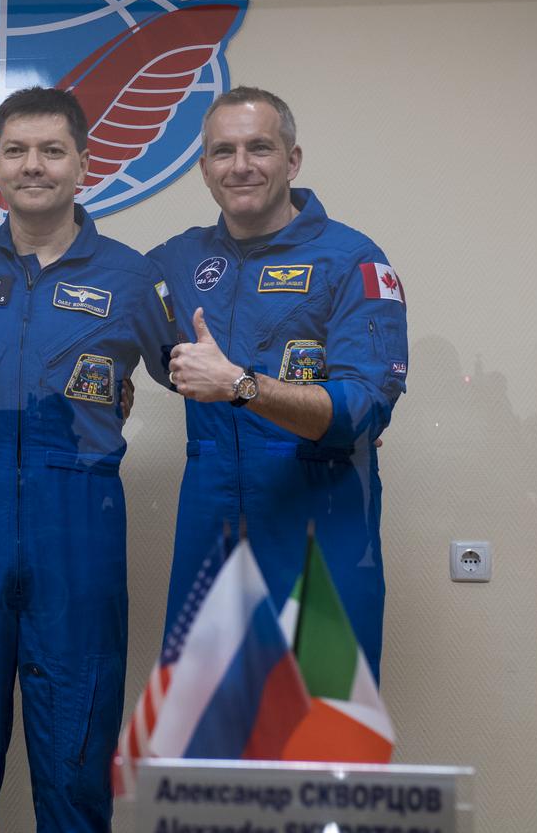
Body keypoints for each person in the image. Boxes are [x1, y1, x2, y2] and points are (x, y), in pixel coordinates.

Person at [0, 87, 175, 833]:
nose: (33, 165)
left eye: (52, 150)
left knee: (75, 768)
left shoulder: (130, 276)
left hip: (79, 528)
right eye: (16, 150)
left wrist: (307, 413)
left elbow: (207, 375)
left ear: (84, 165)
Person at [156, 86, 408, 676]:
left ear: (292, 161)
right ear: (204, 169)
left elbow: (365, 408)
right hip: (211, 525)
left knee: (322, 722)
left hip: (320, 529)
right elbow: (89, 299)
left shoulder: (352, 260)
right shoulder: (176, 262)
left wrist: (241, 385)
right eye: (223, 151)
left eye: (259, 148)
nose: (240, 165)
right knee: (206, 724)